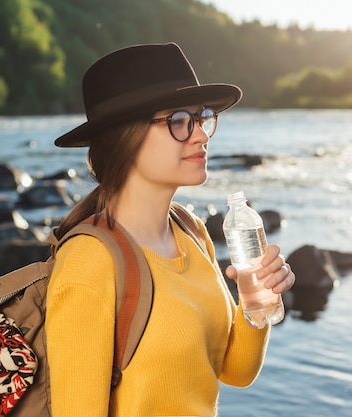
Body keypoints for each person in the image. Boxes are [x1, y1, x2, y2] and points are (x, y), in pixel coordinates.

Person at [45, 42, 296, 417]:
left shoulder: (190, 230)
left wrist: (255, 302)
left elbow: (235, 372)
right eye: (179, 120)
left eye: (202, 117)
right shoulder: (88, 263)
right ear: (124, 136)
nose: (201, 135)